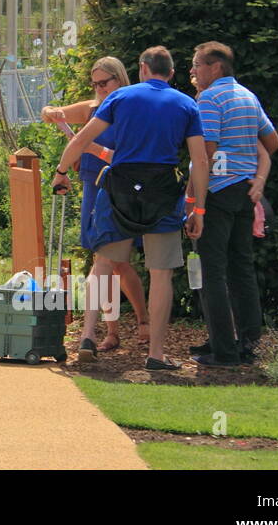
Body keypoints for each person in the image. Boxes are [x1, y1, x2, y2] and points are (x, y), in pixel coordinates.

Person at [54, 46, 209, 371]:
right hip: (162, 193)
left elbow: (82, 140)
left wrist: (61, 173)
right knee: (161, 273)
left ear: (142, 69)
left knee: (103, 264)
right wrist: (199, 210)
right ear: (171, 73)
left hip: (120, 189)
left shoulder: (120, 99)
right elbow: (200, 161)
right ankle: (155, 353)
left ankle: (87, 337)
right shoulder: (186, 104)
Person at [41, 58, 149, 350]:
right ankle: (113, 331)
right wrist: (52, 112)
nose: (99, 88)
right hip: (93, 185)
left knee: (118, 263)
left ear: (119, 79)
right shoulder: (93, 108)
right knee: (105, 262)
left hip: (120, 188)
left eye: (105, 82)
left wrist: (87, 146)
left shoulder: (130, 110)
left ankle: (142, 320)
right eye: (95, 84)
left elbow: (125, 157)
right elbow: (53, 113)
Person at [188, 42, 278, 367]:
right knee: (241, 268)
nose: (194, 72)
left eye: (198, 65)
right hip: (243, 193)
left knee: (212, 271)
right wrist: (258, 176)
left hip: (217, 191)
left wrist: (194, 201)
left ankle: (223, 351)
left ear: (215, 68)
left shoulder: (210, 98)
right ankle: (248, 344)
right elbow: (272, 142)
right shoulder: (247, 96)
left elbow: (205, 155)